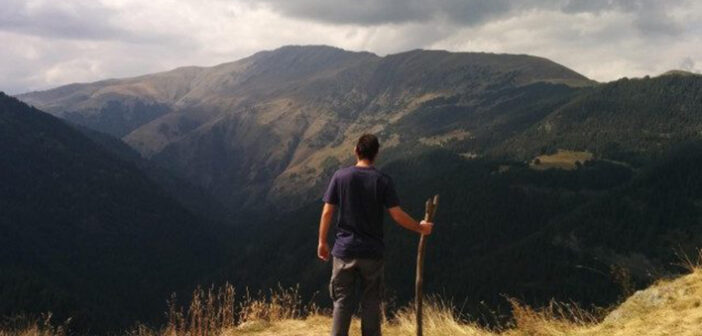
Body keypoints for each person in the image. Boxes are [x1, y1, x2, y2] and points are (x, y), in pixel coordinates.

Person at [317, 133, 434, 336]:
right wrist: (420, 227)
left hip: (344, 250)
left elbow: (327, 212)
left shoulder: (340, 176)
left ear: (356, 150)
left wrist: (322, 242)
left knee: (342, 303)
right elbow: (397, 215)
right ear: (376, 154)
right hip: (372, 253)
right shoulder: (382, 180)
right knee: (371, 304)